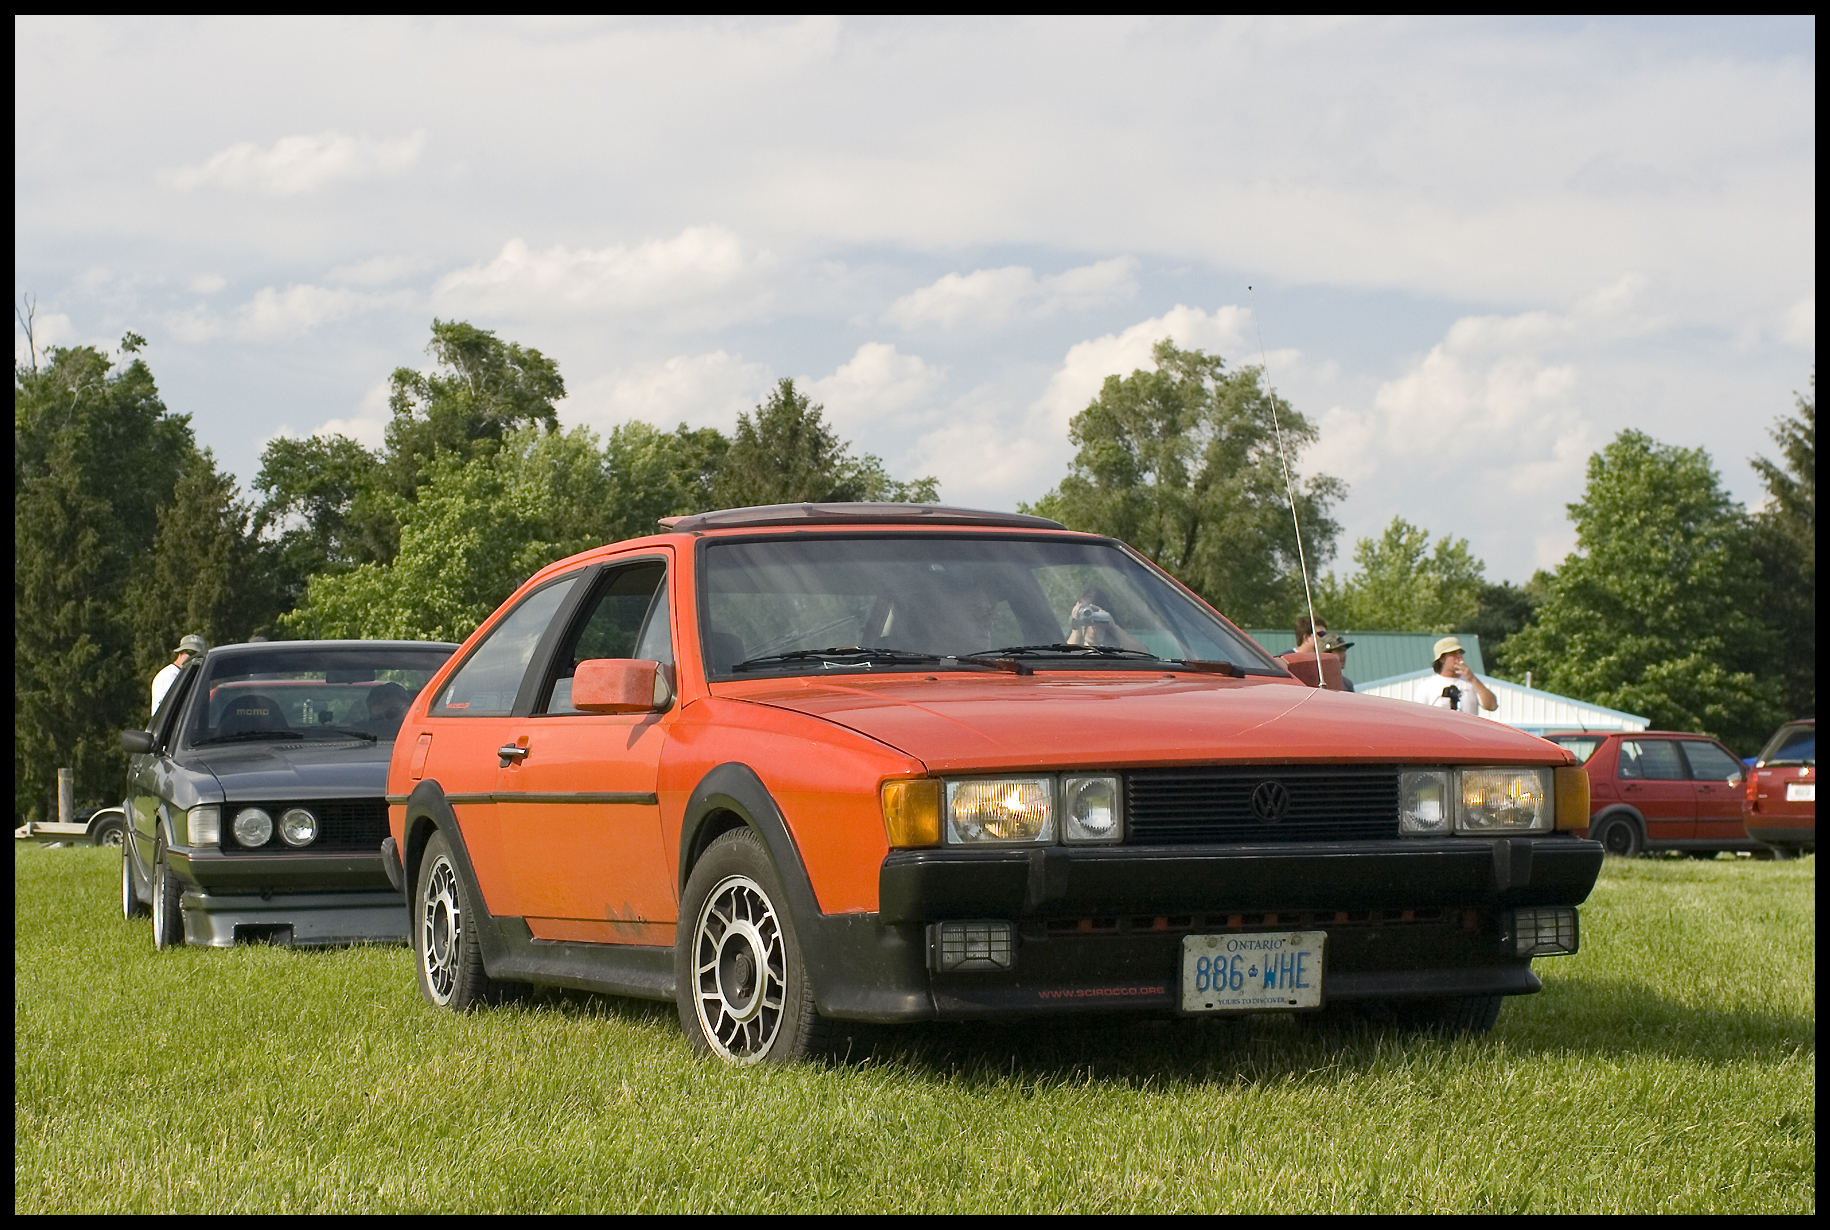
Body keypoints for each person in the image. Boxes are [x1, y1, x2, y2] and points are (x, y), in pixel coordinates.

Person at [1418, 635, 1496, 716]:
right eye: (1453, 653)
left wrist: (1472, 679)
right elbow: (1419, 716)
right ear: (1441, 659)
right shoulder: (1427, 686)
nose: (1459, 657)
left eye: (1460, 653)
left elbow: (1492, 706)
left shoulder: (1472, 683)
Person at [151, 633, 206, 717]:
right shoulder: (168, 676)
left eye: (198, 656)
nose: (194, 658)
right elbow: (170, 709)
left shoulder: (186, 675)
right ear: (180, 653)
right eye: (191, 653)